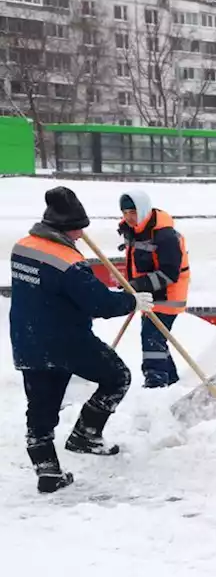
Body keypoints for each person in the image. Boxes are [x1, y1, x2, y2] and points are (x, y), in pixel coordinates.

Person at [9, 186, 153, 494]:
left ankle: (47, 471)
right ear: (65, 227)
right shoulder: (68, 262)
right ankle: (86, 435)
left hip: (27, 340)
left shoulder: (22, 246)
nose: (80, 235)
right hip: (67, 342)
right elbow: (99, 303)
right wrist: (132, 301)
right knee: (118, 377)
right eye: (78, 229)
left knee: (40, 408)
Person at [117, 188, 190, 388]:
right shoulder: (134, 230)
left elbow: (170, 273)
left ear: (142, 210)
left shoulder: (165, 235)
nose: (129, 218)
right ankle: (172, 381)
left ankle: (156, 382)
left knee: (151, 337)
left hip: (168, 294)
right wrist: (129, 284)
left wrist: (136, 285)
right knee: (157, 337)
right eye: (125, 213)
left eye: (132, 212)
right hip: (148, 294)